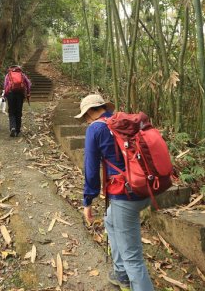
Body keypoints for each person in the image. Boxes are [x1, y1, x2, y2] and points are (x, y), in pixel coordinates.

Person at [75, 94, 155, 291]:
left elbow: (91, 169)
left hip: (125, 196)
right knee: (110, 220)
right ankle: (121, 273)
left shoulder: (96, 128)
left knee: (133, 258)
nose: (86, 121)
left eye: (85, 116)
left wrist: (88, 201)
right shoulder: (124, 121)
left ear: (91, 112)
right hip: (147, 188)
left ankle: (131, 278)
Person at [3, 65, 31, 137]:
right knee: (18, 111)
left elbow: (5, 85)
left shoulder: (8, 75)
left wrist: (5, 95)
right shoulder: (22, 75)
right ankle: (18, 130)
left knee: (11, 111)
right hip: (20, 94)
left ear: (11, 69)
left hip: (10, 94)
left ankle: (13, 127)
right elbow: (28, 83)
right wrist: (28, 93)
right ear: (19, 69)